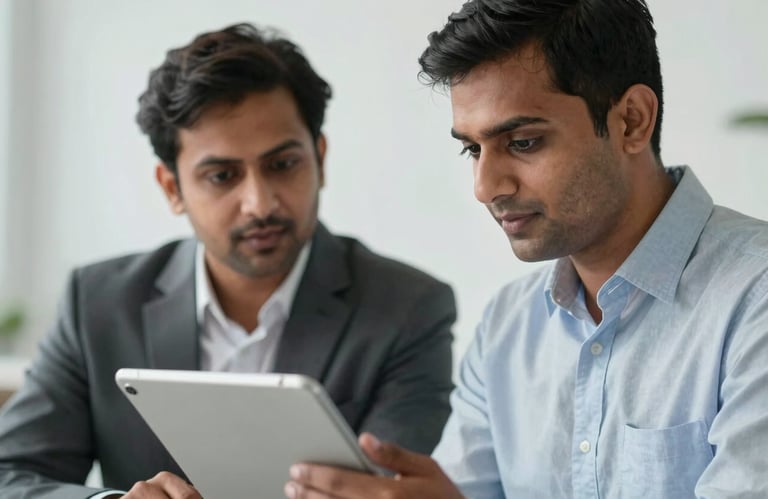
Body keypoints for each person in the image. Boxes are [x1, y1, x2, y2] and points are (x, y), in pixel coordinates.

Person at [284, 1, 768, 498]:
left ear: (631, 121)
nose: (485, 186)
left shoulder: (755, 301)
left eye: (523, 142)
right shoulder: (506, 329)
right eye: (473, 149)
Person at [0, 23, 456, 499]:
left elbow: (391, 489)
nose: (259, 203)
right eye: (222, 176)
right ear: (172, 188)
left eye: (282, 165)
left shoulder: (409, 308)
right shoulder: (97, 303)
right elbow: (10, 475)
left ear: (319, 160)